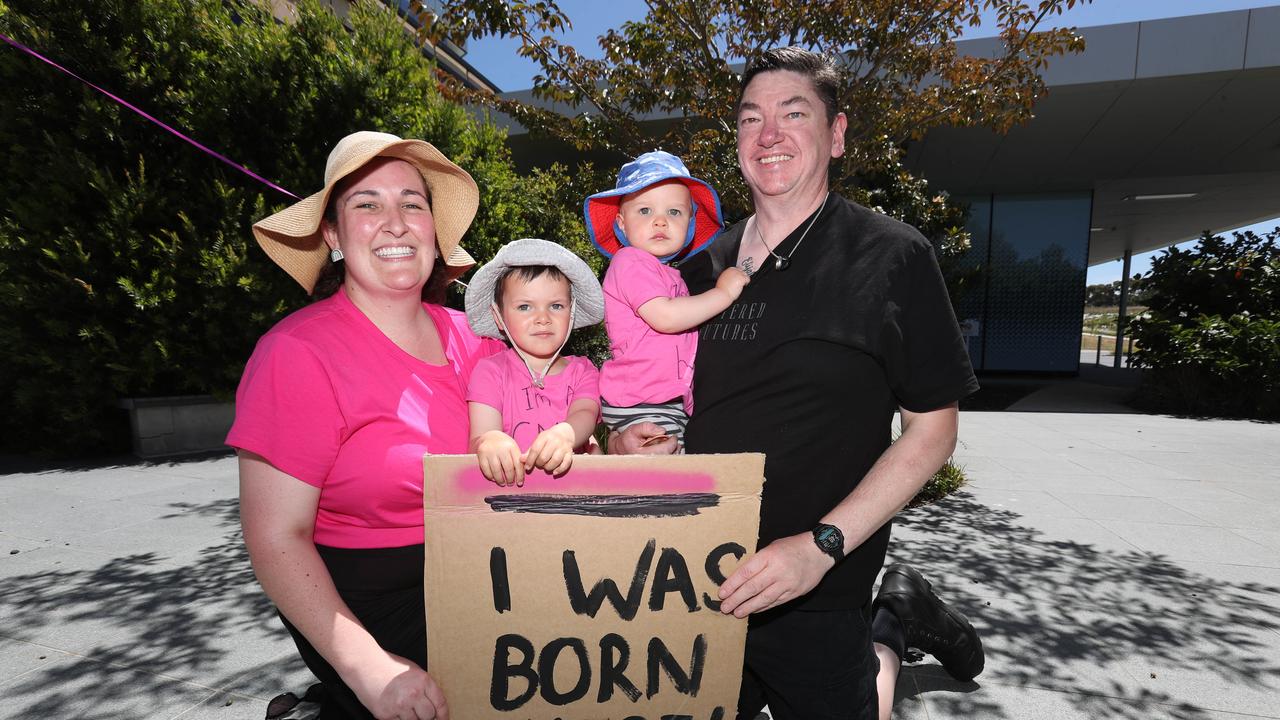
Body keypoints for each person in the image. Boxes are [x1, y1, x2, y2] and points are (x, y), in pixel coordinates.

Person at [610, 48, 984, 719]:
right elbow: (649, 391)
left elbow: (933, 431)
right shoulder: (693, 272)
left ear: (836, 135)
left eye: (794, 113)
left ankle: (892, 616)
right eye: (752, 118)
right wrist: (623, 442)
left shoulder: (893, 256)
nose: (770, 134)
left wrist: (823, 547)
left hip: (820, 585)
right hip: (698, 574)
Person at [229, 130, 505, 720]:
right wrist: (369, 669)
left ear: (434, 228)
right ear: (331, 234)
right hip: (365, 607)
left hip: (484, 577)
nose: (396, 221)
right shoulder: (296, 354)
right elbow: (276, 537)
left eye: (412, 202)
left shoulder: (477, 338)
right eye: (367, 204)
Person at [584, 151, 751, 445]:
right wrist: (723, 294)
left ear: (689, 223)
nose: (660, 221)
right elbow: (667, 317)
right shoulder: (630, 262)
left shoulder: (668, 274)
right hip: (645, 400)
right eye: (645, 211)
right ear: (621, 223)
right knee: (666, 480)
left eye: (674, 212)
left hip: (657, 399)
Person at [462, 238, 605, 486]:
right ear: (498, 316)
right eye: (525, 306)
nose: (543, 318)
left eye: (556, 306)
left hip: (575, 495)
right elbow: (480, 434)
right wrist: (490, 440)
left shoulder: (583, 371)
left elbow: (585, 412)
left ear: (571, 313)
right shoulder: (490, 371)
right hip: (510, 500)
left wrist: (566, 434)